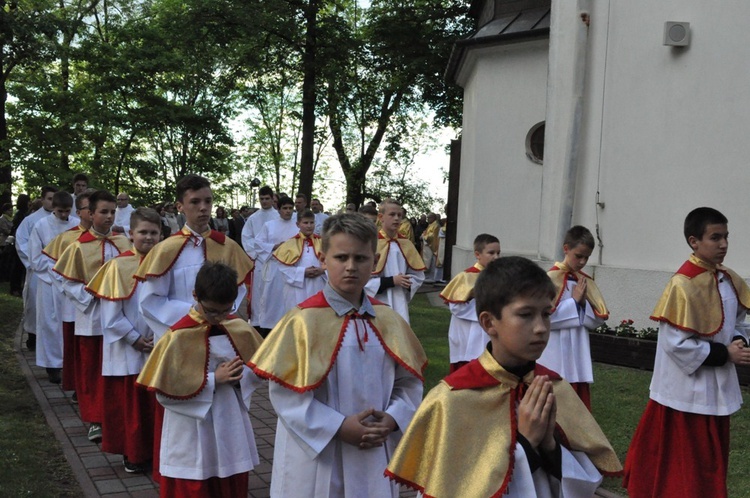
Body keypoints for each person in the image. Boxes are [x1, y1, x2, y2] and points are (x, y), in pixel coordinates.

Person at [385, 256, 622, 497]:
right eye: (526, 315)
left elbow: (585, 483)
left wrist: (550, 446)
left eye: (546, 314)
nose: (541, 327)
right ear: (489, 323)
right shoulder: (452, 399)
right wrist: (527, 443)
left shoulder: (554, 387)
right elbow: (452, 487)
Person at [249, 213, 426, 497]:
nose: (351, 267)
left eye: (361, 258)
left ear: (375, 261)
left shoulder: (389, 320)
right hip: (319, 453)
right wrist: (338, 426)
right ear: (323, 259)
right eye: (341, 258)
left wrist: (393, 418)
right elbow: (285, 393)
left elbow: (409, 382)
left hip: (374, 448)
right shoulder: (302, 322)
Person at [623, 207, 750, 498]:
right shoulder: (682, 285)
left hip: (715, 390)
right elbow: (675, 344)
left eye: (726, 237)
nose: (724, 245)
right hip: (687, 393)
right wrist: (725, 355)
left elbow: (738, 321)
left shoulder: (728, 279)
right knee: (685, 465)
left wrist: (740, 341)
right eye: (715, 237)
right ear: (694, 241)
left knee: (711, 461)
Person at [137, 262, 263, 498]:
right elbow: (165, 392)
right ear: (195, 296)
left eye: (226, 310)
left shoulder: (238, 327)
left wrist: (240, 377)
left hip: (229, 419)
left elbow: (258, 371)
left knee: (230, 477)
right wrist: (215, 379)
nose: (218, 317)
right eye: (212, 311)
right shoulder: (177, 336)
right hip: (192, 428)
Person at [86, 208, 161, 474]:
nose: (148, 238)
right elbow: (110, 314)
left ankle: (153, 452)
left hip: (158, 346)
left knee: (154, 407)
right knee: (132, 409)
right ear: (131, 234)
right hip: (128, 348)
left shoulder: (164, 264)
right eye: (143, 232)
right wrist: (135, 339)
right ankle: (133, 453)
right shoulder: (117, 266)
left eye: (154, 232)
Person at [135, 174, 253, 342]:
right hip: (179, 335)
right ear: (180, 206)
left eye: (208, 201)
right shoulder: (165, 250)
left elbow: (238, 289)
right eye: (195, 202)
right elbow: (150, 300)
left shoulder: (227, 246)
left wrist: (221, 311)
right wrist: (196, 312)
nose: (203, 207)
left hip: (219, 335)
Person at [54, 190, 132, 442]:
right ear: (90, 214)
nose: (109, 217)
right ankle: (95, 418)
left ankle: (116, 414)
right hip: (93, 318)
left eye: (112, 212)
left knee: (116, 369)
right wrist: (92, 295)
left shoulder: (123, 243)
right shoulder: (78, 247)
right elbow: (67, 282)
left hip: (120, 317)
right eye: (103, 212)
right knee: (92, 369)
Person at [536, 226, 608, 410]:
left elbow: (597, 319)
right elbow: (543, 318)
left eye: (587, 257)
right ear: (566, 249)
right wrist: (574, 302)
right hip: (554, 354)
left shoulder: (584, 281)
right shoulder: (548, 279)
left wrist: (583, 305)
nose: (583, 261)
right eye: (579, 255)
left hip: (577, 350)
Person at [43, 192, 93, 393]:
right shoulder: (66, 238)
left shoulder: (115, 239)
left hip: (101, 304)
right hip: (74, 301)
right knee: (75, 347)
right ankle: (77, 387)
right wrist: (73, 290)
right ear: (79, 212)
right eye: (88, 209)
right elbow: (53, 267)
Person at [28, 191, 78, 383]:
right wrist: (55, 268)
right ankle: (52, 365)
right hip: (49, 280)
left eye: (67, 211)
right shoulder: (41, 226)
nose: (64, 215)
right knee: (49, 322)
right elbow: (35, 256)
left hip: (70, 280)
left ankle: (69, 363)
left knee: (68, 323)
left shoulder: (76, 225)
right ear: (52, 208)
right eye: (60, 211)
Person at [439, 233, 501, 372]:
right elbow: (456, 307)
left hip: (490, 329)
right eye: (491, 253)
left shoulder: (499, 277)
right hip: (469, 331)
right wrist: (489, 312)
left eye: (498, 253)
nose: (496, 257)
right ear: (477, 254)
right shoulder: (466, 277)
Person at [365, 199, 425, 324]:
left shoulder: (406, 244)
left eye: (399, 215)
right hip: (376, 299)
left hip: (399, 300)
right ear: (381, 217)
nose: (397, 218)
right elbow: (363, 280)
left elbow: (418, 275)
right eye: (392, 215)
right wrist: (391, 281)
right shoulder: (370, 243)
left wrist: (409, 282)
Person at [16, 186, 57, 350]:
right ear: (42, 199)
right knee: (34, 304)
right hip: (37, 270)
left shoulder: (64, 220)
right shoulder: (31, 220)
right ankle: (33, 335)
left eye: (55, 199)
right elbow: (22, 242)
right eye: (49, 199)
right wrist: (36, 262)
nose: (52, 202)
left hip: (57, 271)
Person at [254, 196, 298, 335]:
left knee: (290, 297)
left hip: (293, 268)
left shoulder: (298, 225)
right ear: (278, 209)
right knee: (272, 298)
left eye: (290, 208)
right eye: (285, 208)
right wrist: (274, 246)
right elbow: (258, 243)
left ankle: (290, 325)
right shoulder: (270, 225)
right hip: (274, 268)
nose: (288, 211)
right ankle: (269, 327)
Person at [274, 209, 327, 316]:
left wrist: (322, 270)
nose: (309, 226)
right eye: (305, 223)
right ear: (298, 224)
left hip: (318, 284)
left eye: (312, 222)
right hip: (297, 289)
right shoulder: (289, 244)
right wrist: (302, 272)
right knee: (298, 316)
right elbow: (284, 268)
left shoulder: (324, 243)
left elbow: (333, 263)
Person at [241, 186, 279, 327]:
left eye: (267, 198)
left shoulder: (278, 217)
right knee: (258, 292)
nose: (264, 201)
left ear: (272, 198)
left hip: (276, 261)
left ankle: (275, 322)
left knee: (275, 292)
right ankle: (258, 321)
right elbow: (247, 238)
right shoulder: (253, 218)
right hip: (260, 260)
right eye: (261, 199)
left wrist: (274, 251)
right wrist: (261, 252)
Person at [9, 194, 31, 296]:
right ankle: (15, 288)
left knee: (19, 267)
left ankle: (17, 286)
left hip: (18, 242)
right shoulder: (21, 215)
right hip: (17, 242)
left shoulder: (23, 214)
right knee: (17, 267)